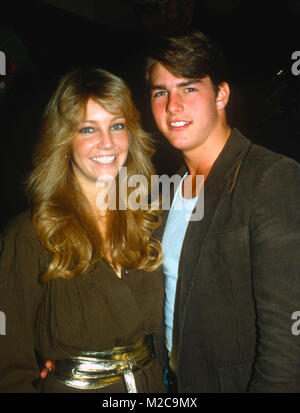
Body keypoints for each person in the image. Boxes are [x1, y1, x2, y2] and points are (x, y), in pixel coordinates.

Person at [146, 30, 300, 392]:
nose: (172, 106)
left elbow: (286, 349)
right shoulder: (165, 192)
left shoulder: (271, 178)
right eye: (160, 92)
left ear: (221, 95)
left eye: (189, 88)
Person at [0, 67, 166, 393]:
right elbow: (8, 364)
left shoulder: (149, 219)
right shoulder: (29, 235)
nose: (107, 142)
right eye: (88, 129)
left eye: (117, 126)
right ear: (63, 141)